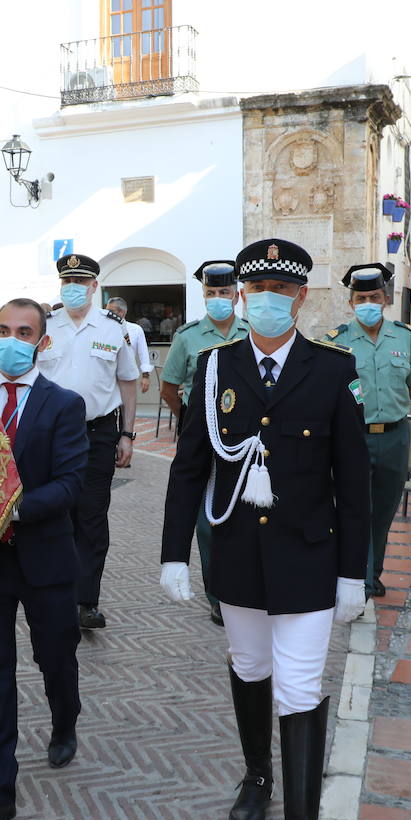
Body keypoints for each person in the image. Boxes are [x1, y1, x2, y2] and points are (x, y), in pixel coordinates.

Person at [159, 238, 369, 820]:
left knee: (300, 686)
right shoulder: (217, 367)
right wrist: (174, 553)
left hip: (309, 554)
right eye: (257, 292)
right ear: (242, 297)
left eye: (281, 292)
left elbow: (353, 483)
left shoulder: (332, 369)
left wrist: (353, 573)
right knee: (251, 669)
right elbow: (188, 467)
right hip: (239, 554)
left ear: (301, 298)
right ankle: (257, 778)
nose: (268, 302)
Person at [0, 298, 88, 820]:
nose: (11, 339)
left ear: (42, 342)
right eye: (3, 329)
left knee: (55, 655)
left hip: (45, 559)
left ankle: (64, 719)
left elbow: (71, 483)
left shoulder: (64, 404)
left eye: (23, 332)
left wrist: (10, 507)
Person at [39, 254, 139, 630]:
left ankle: (85, 602)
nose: (74, 288)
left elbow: (127, 382)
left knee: (92, 517)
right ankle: (55, 594)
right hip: (50, 436)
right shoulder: (44, 325)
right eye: (68, 281)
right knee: (53, 513)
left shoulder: (114, 328)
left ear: (95, 286)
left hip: (98, 433)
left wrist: (127, 434)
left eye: (82, 281)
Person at [324, 264, 411, 600]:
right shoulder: (336, 342)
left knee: (383, 510)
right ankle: (360, 578)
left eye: (374, 296)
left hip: (396, 436)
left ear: (385, 298)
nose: (368, 302)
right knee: (355, 509)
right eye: (361, 297)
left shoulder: (405, 337)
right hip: (353, 437)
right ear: (351, 303)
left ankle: (373, 572)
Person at [159, 260, 250, 625]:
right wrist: (189, 421)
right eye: (211, 293)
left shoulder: (253, 330)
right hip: (205, 442)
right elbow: (169, 386)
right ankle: (217, 593)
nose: (217, 299)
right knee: (207, 521)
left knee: (244, 513)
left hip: (246, 442)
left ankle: (245, 582)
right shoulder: (188, 337)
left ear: (237, 295)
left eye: (224, 293)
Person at [106, 297, 153, 395]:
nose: (107, 314)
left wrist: (145, 376)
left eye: (110, 311)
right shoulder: (102, 330)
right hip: (107, 376)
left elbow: (143, 354)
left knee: (127, 406)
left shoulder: (135, 330)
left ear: (121, 313)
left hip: (127, 377)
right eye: (106, 310)